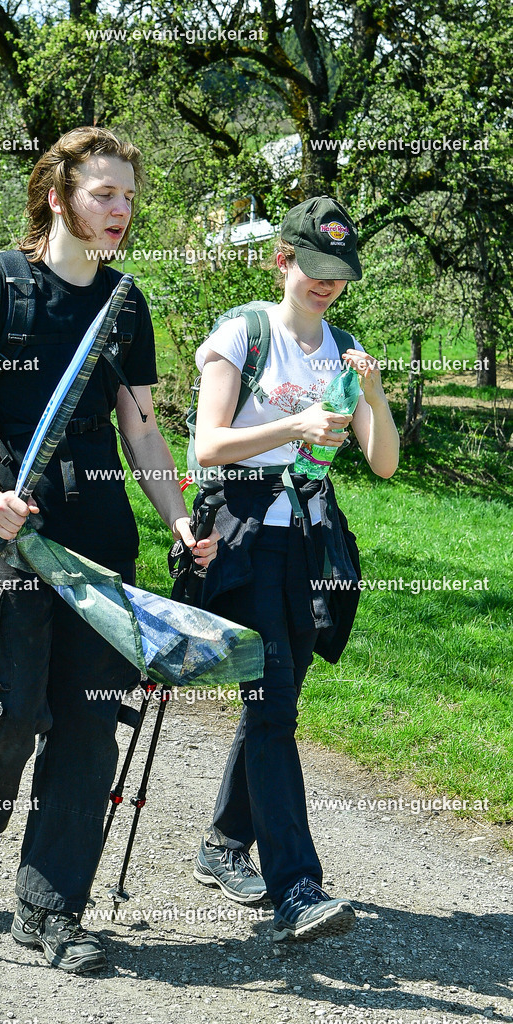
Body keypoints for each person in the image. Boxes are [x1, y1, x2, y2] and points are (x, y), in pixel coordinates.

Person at [0, 127, 218, 974]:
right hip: (11, 531)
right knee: (8, 709)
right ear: (57, 196)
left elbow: (141, 429)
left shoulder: (125, 304)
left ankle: (49, 909)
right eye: (103, 193)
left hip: (98, 537)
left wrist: (176, 519)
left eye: (128, 197)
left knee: (88, 724)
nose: (120, 210)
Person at [191, 195, 399, 944]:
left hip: (310, 542)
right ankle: (296, 888)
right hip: (244, 537)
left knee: (275, 700)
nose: (326, 283)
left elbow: (382, 462)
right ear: (282, 261)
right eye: (313, 267)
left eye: (338, 272)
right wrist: (295, 424)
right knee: (273, 705)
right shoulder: (242, 334)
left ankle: (223, 843)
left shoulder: (343, 347)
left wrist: (372, 393)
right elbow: (207, 445)